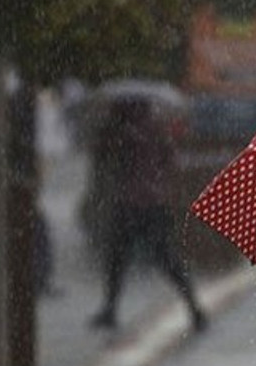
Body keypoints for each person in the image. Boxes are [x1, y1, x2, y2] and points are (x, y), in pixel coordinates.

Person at [88, 98, 206, 332]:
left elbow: (104, 159)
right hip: (155, 202)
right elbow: (169, 161)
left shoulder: (123, 133)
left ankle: (111, 309)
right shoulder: (156, 129)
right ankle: (194, 307)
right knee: (166, 259)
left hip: (130, 203)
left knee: (119, 259)